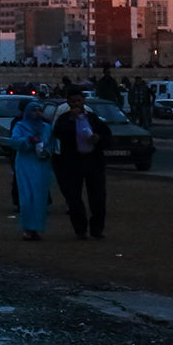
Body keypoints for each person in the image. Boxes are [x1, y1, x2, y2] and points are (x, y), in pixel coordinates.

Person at [50, 87, 112, 240]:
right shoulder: (63, 119)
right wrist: (72, 120)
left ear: (83, 101)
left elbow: (107, 136)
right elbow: (58, 133)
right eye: (73, 101)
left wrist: (98, 138)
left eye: (79, 101)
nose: (76, 104)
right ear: (68, 103)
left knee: (98, 198)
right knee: (74, 199)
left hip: (93, 162)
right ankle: (80, 229)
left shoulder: (92, 118)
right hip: (70, 164)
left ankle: (97, 229)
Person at [9, 98, 52, 240]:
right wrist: (28, 141)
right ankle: (27, 227)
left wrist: (46, 150)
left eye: (39, 110)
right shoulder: (20, 126)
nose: (37, 113)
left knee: (40, 197)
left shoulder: (46, 127)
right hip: (26, 163)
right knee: (27, 196)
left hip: (41, 164)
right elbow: (14, 141)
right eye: (34, 110)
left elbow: (53, 144)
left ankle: (36, 227)